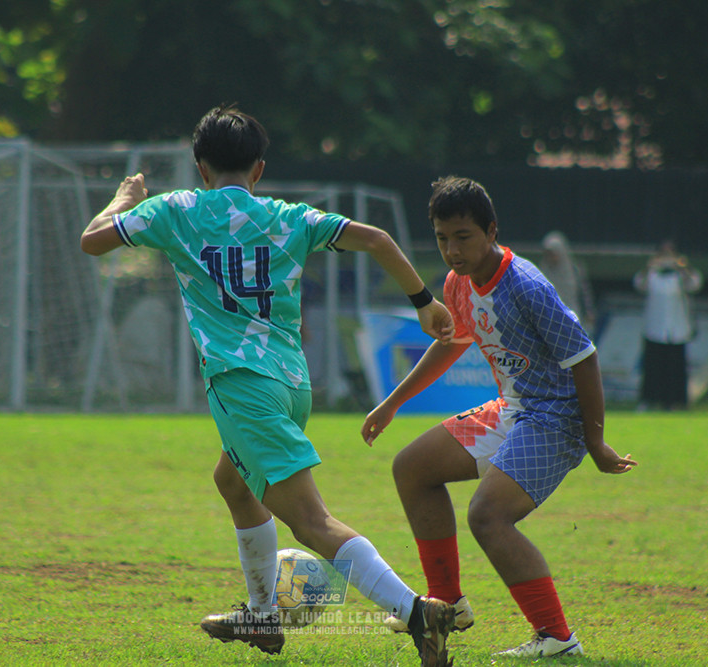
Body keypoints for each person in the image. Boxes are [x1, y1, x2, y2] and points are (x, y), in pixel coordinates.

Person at [80, 105, 457, 667]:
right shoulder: (289, 217)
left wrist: (124, 199)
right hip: (290, 384)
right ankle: (263, 614)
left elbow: (92, 241)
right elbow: (378, 239)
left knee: (310, 522)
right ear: (258, 169)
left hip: (241, 386)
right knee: (233, 483)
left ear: (200, 168)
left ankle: (416, 613)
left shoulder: (176, 210)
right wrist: (424, 303)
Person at [360, 176, 637, 658]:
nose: (452, 249)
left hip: (556, 417)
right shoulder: (456, 282)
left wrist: (595, 442)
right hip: (513, 410)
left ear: (491, 231)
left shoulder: (526, 285)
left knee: (487, 516)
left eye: (462, 236)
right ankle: (447, 604)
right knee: (411, 468)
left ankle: (557, 639)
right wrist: (392, 402)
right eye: (442, 237)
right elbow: (452, 344)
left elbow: (584, 358)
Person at [633, 240, 703, 411]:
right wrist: (649, 267)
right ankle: (649, 400)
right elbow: (639, 285)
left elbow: (695, 284)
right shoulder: (653, 275)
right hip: (655, 328)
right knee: (653, 367)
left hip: (677, 329)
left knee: (675, 368)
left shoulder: (680, 276)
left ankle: (675, 402)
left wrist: (683, 267)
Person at [539, 231, 596, 333]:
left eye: (553, 254)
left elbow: (585, 293)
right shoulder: (542, 273)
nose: (551, 258)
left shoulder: (575, 270)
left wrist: (589, 312)